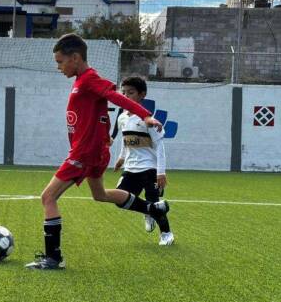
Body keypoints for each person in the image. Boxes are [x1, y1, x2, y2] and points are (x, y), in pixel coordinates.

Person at [26, 34, 170, 270]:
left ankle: (53, 258)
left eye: (61, 61)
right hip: (94, 151)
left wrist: (144, 115)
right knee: (100, 194)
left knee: (48, 197)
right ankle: (152, 209)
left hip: (84, 153)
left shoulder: (88, 79)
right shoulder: (81, 81)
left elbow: (114, 96)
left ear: (75, 57)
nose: (58, 67)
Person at [113, 76, 174, 246]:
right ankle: (148, 210)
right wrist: (121, 158)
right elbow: (126, 141)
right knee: (119, 199)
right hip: (130, 168)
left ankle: (166, 234)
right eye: (123, 92)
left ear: (142, 95)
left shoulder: (148, 120)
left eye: (130, 93)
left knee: (154, 200)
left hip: (150, 168)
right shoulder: (122, 118)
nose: (125, 96)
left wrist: (161, 172)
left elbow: (160, 146)